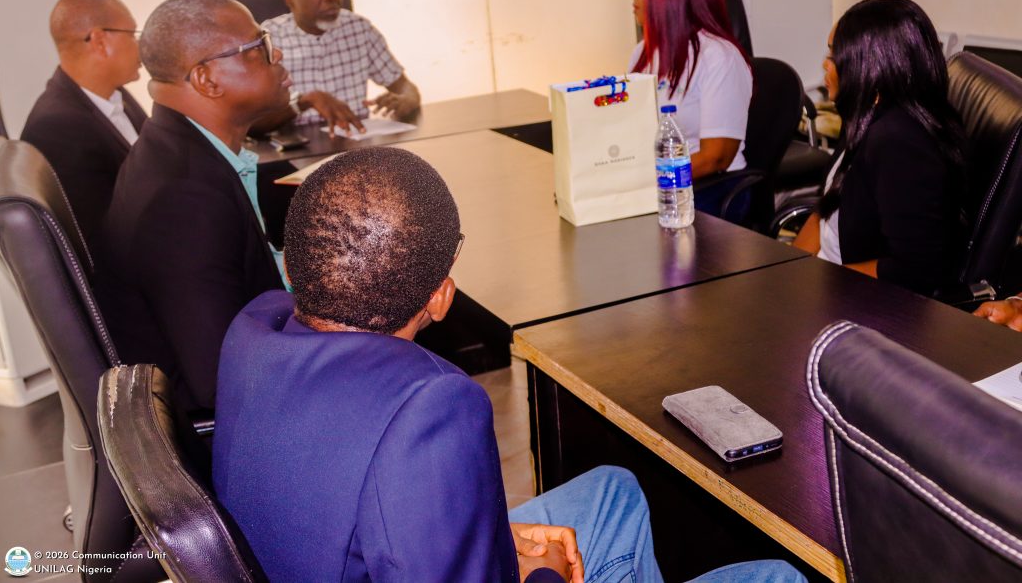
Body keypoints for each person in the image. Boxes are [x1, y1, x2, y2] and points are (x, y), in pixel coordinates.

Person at [212, 146, 808, 583]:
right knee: (778, 576)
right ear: (441, 298)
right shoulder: (427, 408)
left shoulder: (254, 328)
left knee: (614, 491)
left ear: (294, 266)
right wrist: (544, 573)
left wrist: (492, 540)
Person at [95, 0, 287, 413]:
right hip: (233, 424)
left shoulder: (178, 150)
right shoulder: (184, 201)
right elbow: (224, 381)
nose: (278, 55)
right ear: (207, 80)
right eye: (261, 46)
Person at [793, 0, 966, 295]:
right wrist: (787, 271)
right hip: (825, 283)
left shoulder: (900, 144)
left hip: (858, 301)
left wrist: (819, 284)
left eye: (835, 54)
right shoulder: (865, 113)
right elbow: (826, 208)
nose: (825, 63)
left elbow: (915, 271)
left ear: (871, 65)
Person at [630, 0, 753, 217]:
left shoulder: (718, 56)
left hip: (710, 189)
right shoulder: (643, 53)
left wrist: (646, 181)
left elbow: (715, 157)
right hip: (663, 185)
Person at [21, 0, 147, 245]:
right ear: (99, 41)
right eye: (133, 34)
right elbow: (104, 238)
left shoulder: (115, 94)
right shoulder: (57, 129)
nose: (141, 46)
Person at [261, 0, 420, 135]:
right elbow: (253, 120)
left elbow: (405, 87)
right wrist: (304, 102)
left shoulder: (359, 28)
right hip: (298, 143)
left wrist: (406, 100)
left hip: (356, 139)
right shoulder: (270, 38)